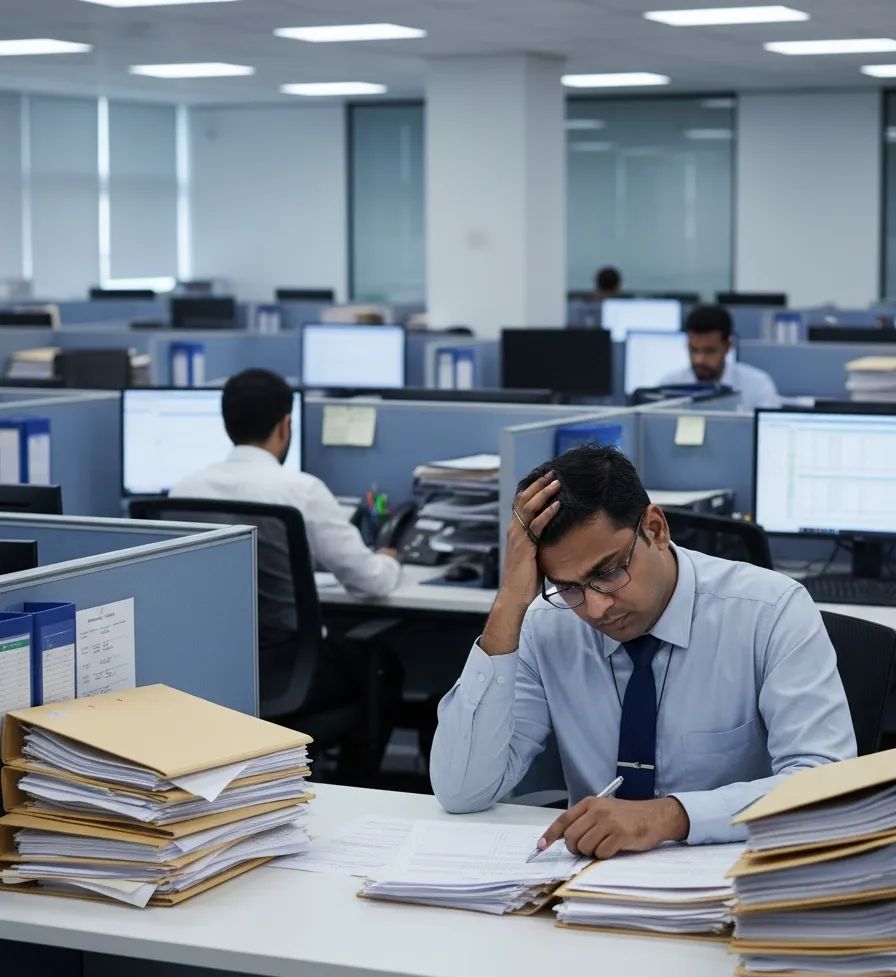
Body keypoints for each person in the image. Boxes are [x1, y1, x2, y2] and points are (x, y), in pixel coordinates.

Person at [430, 445, 855, 857]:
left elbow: (826, 784)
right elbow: (462, 791)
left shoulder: (770, 612)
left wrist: (668, 817)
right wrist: (510, 602)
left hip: (733, 878)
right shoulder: (547, 624)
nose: (595, 608)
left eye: (609, 572)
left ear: (655, 528)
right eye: (569, 586)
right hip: (591, 890)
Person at [171, 368, 400, 602]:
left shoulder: (182, 492)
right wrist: (388, 560)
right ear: (285, 425)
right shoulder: (303, 492)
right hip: (283, 636)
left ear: (226, 424)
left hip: (211, 637)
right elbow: (372, 582)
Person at [661, 304, 781, 411]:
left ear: (728, 347)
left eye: (709, 351)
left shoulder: (757, 386)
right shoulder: (668, 386)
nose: (699, 360)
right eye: (694, 350)